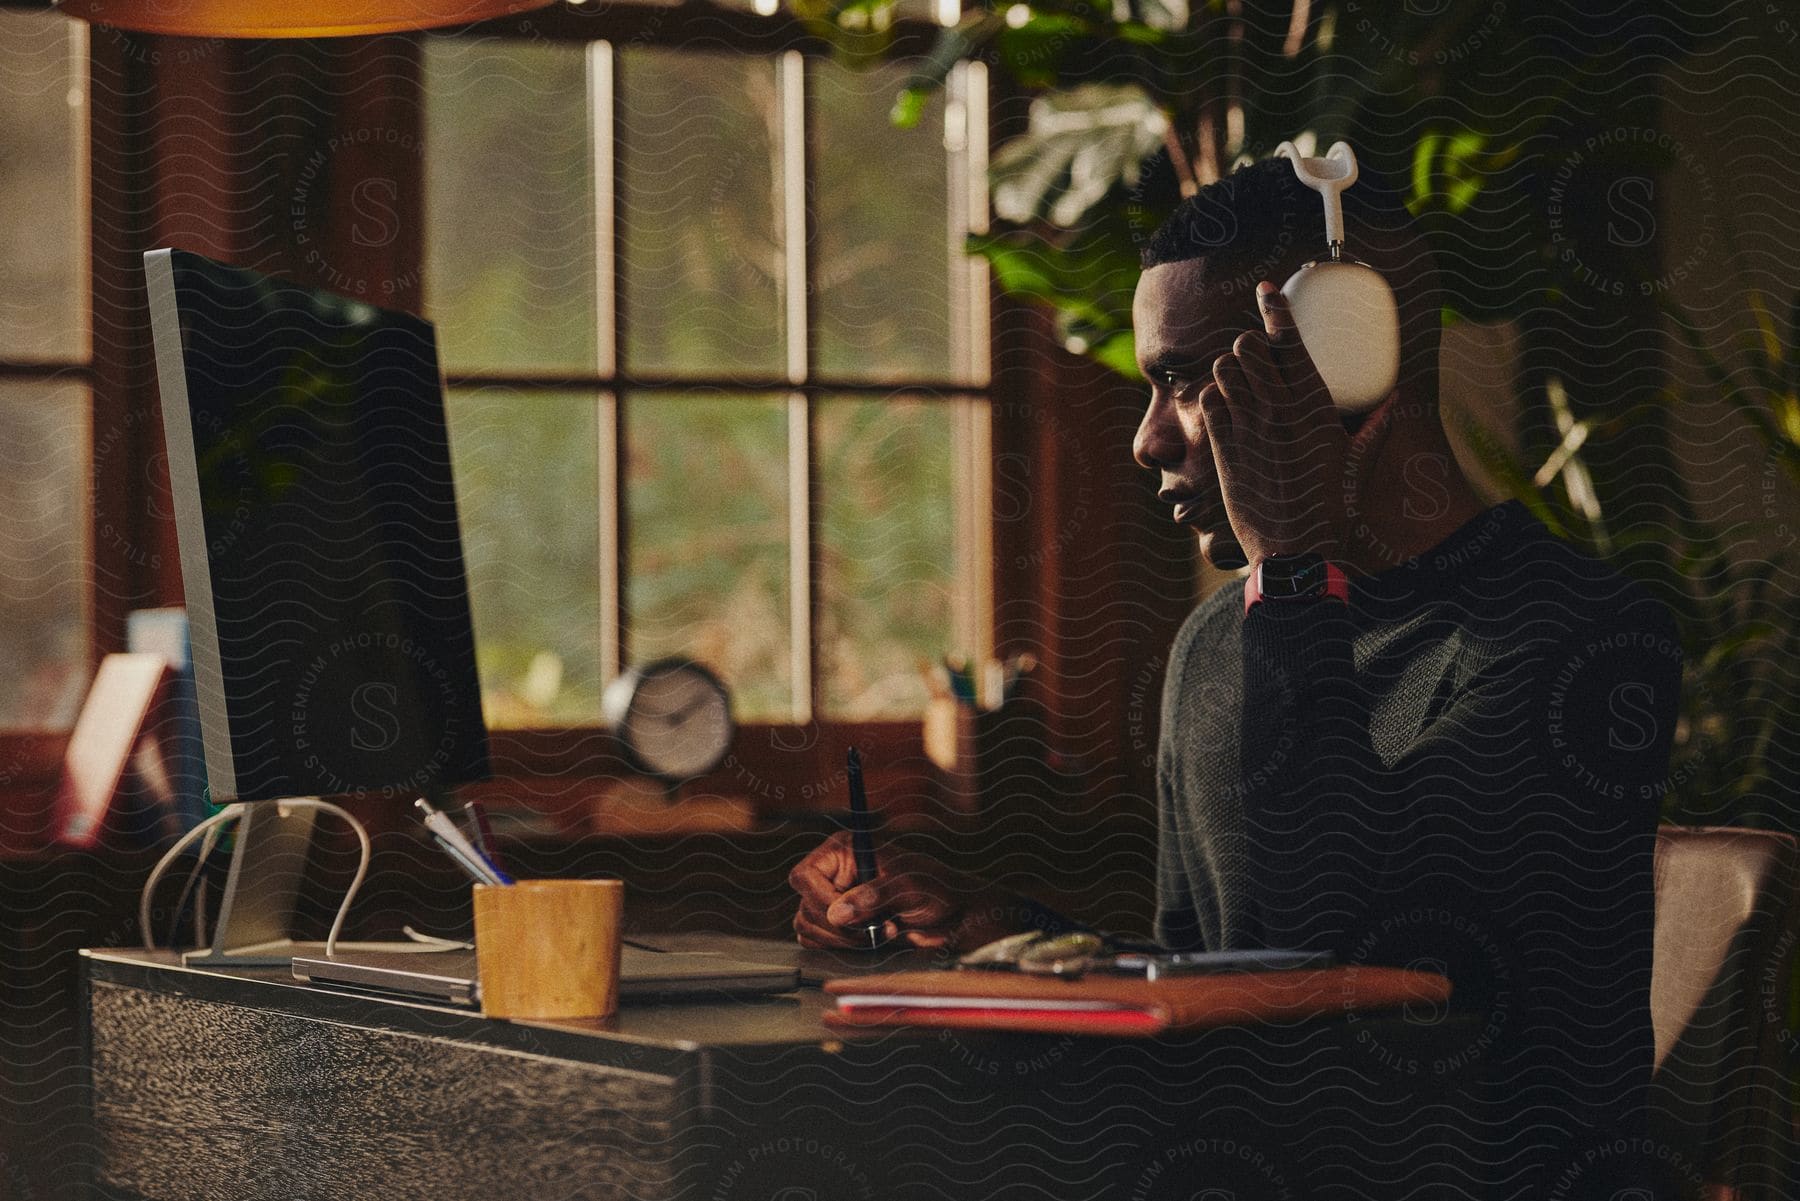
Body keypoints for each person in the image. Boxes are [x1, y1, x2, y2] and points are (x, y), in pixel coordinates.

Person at [788, 155, 1681, 1197]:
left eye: (1182, 381)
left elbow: (1329, 952)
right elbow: (1228, 973)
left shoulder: (1581, 638)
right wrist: (993, 928)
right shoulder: (1222, 643)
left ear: (1342, 367)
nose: (1145, 437)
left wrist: (1291, 564)